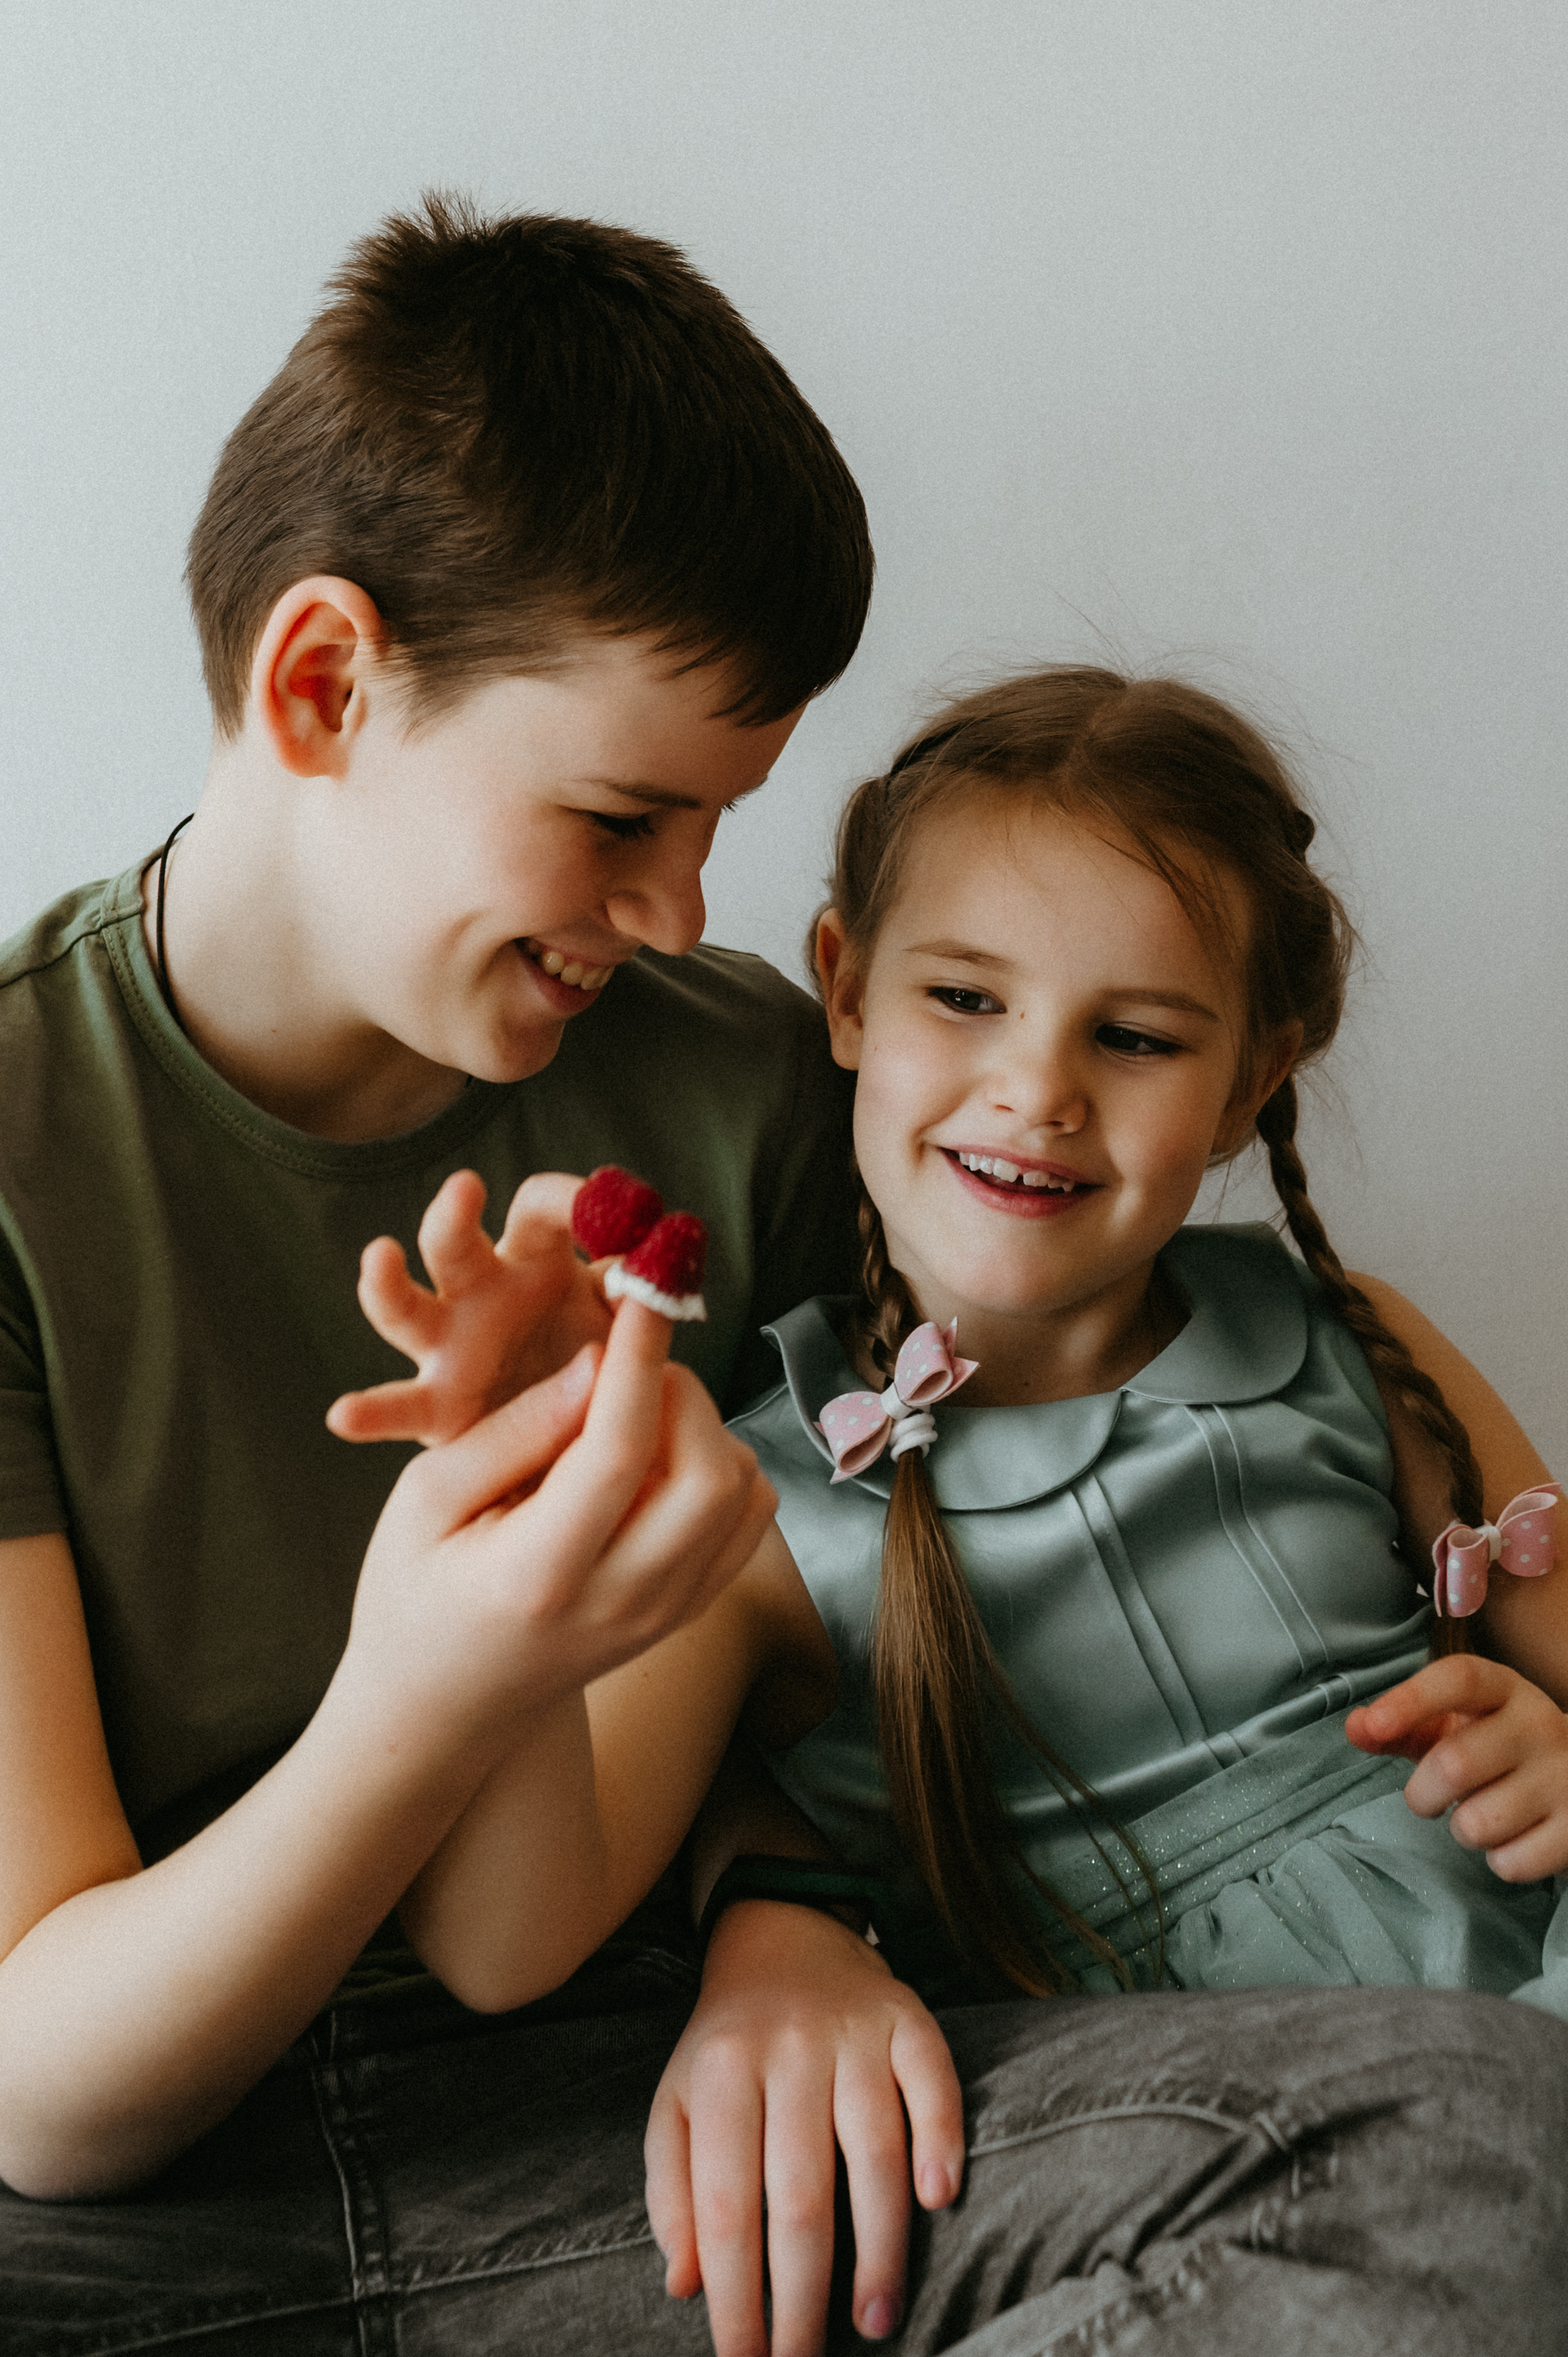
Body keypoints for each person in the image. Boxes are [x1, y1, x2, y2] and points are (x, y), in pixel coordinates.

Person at [354, 667, 1568, 2354]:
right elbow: (504, 1945)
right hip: (1167, 2180)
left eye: (1135, 1037)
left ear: (1249, 1076)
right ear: (842, 989)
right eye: (967, 1000)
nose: (1041, 1090)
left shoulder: (1348, 1350)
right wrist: (532, 1486)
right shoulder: (754, 1504)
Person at [0, 190, 879, 2346]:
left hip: (635, 2117)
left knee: (1459, 2138)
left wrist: (786, 1905)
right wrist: (434, 1682)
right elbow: (47, 2088)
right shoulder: (23, 1151)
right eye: (616, 819)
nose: (679, 912)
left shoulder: (750, 1083)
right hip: (136, 2198)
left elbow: (874, 1614)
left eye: (719, 826)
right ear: (324, 683)